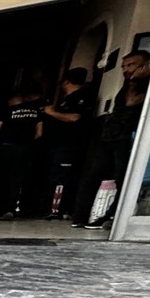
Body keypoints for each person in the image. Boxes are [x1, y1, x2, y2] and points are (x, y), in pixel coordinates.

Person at [75, 50, 150, 229]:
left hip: (129, 136)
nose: (126, 69)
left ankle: (112, 216)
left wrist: (133, 81)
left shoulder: (146, 83)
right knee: (93, 175)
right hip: (112, 135)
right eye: (124, 66)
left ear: (144, 65)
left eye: (130, 65)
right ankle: (81, 217)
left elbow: (131, 102)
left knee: (122, 177)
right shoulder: (127, 84)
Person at [40, 68, 91, 219]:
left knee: (61, 178)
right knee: (54, 176)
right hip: (57, 145)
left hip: (68, 145)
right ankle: (51, 208)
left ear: (66, 82)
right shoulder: (67, 99)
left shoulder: (82, 96)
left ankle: (57, 210)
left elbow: (75, 117)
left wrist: (52, 113)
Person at [0, 81, 43, 220]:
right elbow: (39, 133)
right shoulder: (35, 112)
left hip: (6, 148)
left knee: (2, 178)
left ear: (12, 100)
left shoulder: (6, 111)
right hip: (24, 149)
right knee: (17, 179)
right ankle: (11, 208)